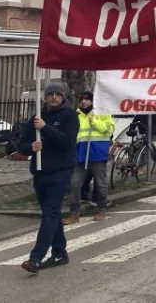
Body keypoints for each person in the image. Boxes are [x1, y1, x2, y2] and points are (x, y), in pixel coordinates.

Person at [17, 83, 79, 274]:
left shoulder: (69, 116)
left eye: (57, 94)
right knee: (51, 214)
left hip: (61, 170)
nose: (53, 97)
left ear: (63, 97)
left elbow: (67, 142)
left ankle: (36, 258)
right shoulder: (36, 117)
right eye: (50, 94)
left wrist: (45, 129)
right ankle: (60, 253)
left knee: (50, 212)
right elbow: (21, 145)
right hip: (40, 171)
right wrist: (31, 148)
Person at [65, 92, 114, 224]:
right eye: (82, 99)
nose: (84, 102)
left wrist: (95, 122)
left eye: (87, 100)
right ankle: (74, 213)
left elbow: (109, 129)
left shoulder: (102, 112)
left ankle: (101, 209)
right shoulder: (75, 115)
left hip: (97, 153)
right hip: (80, 153)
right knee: (75, 183)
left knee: (100, 183)